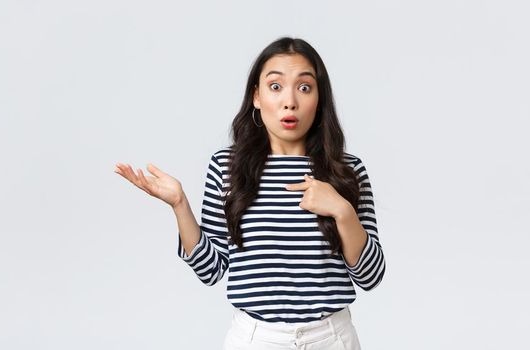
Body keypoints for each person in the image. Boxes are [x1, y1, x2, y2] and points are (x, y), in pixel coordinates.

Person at [113, 37, 385, 350]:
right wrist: (179, 205)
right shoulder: (228, 167)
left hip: (332, 338)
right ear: (256, 96)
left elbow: (371, 276)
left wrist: (342, 210)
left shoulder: (347, 171)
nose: (290, 101)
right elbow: (210, 268)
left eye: (305, 87)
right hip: (256, 340)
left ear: (319, 100)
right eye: (275, 86)